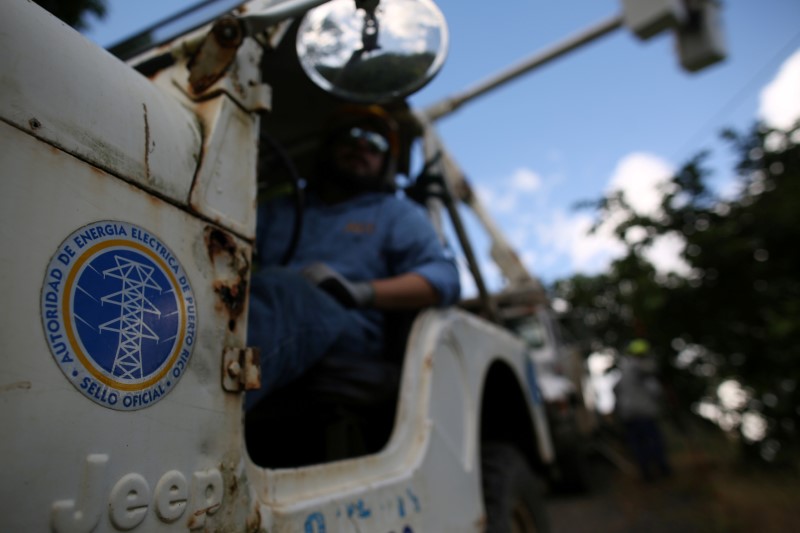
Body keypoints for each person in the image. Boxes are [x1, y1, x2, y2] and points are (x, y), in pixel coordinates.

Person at [245, 105, 461, 410]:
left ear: (385, 161)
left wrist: (361, 292)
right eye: (353, 136)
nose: (362, 146)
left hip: (345, 327)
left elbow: (444, 277)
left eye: (376, 144)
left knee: (287, 291)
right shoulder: (282, 207)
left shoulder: (393, 212)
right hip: (271, 307)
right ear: (329, 147)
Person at [613, 339, 672, 482]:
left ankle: (646, 473)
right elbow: (655, 388)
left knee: (638, 444)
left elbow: (615, 389)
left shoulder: (624, 371)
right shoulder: (643, 370)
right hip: (645, 412)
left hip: (628, 414)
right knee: (653, 440)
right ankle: (662, 469)